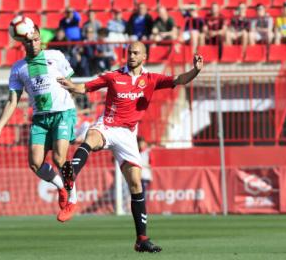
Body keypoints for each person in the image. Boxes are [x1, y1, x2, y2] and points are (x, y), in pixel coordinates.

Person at [57, 44, 204, 253]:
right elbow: (86, 87)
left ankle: (141, 239)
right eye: (129, 53)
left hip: (127, 135)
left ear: (144, 56)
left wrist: (196, 71)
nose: (131, 56)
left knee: (136, 183)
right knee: (91, 136)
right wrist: (71, 85)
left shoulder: (151, 79)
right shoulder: (113, 76)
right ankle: (71, 174)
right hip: (107, 125)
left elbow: (179, 80)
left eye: (136, 53)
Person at [0, 27, 79, 222]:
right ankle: (61, 187)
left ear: (40, 39)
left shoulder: (56, 56)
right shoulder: (18, 68)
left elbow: (71, 83)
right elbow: (13, 101)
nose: (34, 44)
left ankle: (73, 199)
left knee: (60, 158)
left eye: (36, 40)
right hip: (40, 118)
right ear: (22, 43)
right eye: (29, 41)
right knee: (35, 164)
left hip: (62, 112)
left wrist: (72, 98)